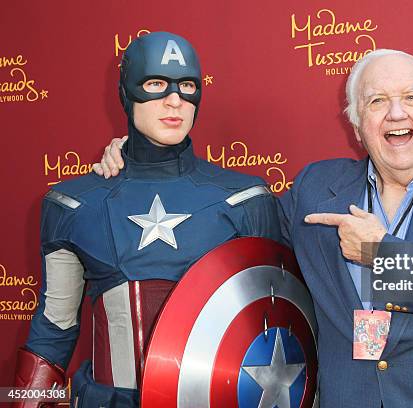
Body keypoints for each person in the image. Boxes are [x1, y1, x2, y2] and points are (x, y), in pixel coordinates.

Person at [95, 49, 413, 407]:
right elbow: (232, 226)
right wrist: (143, 162)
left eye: (412, 98)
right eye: (376, 101)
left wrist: (386, 255)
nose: (396, 113)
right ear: (357, 125)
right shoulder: (316, 186)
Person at [15, 31, 280, 407]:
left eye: (186, 86)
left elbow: (279, 327)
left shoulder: (246, 199)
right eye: (155, 84)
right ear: (126, 93)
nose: (174, 101)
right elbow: (53, 329)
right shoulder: (73, 203)